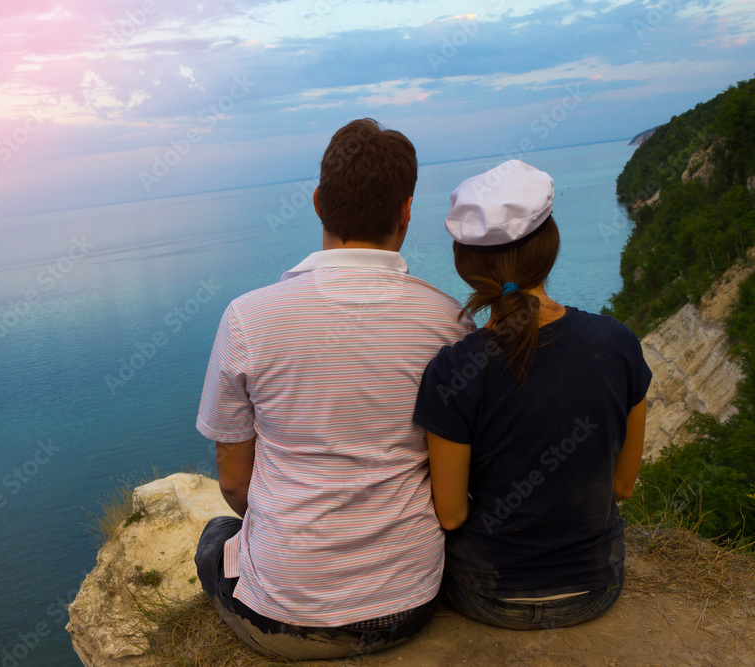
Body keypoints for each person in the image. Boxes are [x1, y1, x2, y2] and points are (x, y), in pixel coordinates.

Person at [193, 118, 474, 660]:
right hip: (409, 605)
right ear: (407, 212)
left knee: (216, 536)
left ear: (319, 201)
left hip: (284, 614)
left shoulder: (248, 318)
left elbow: (234, 482)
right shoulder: (450, 322)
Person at [413, 160, 651, 630]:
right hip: (595, 588)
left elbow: (453, 514)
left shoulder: (454, 370)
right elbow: (622, 487)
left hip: (487, 596)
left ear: (465, 267)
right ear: (551, 247)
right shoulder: (618, 344)